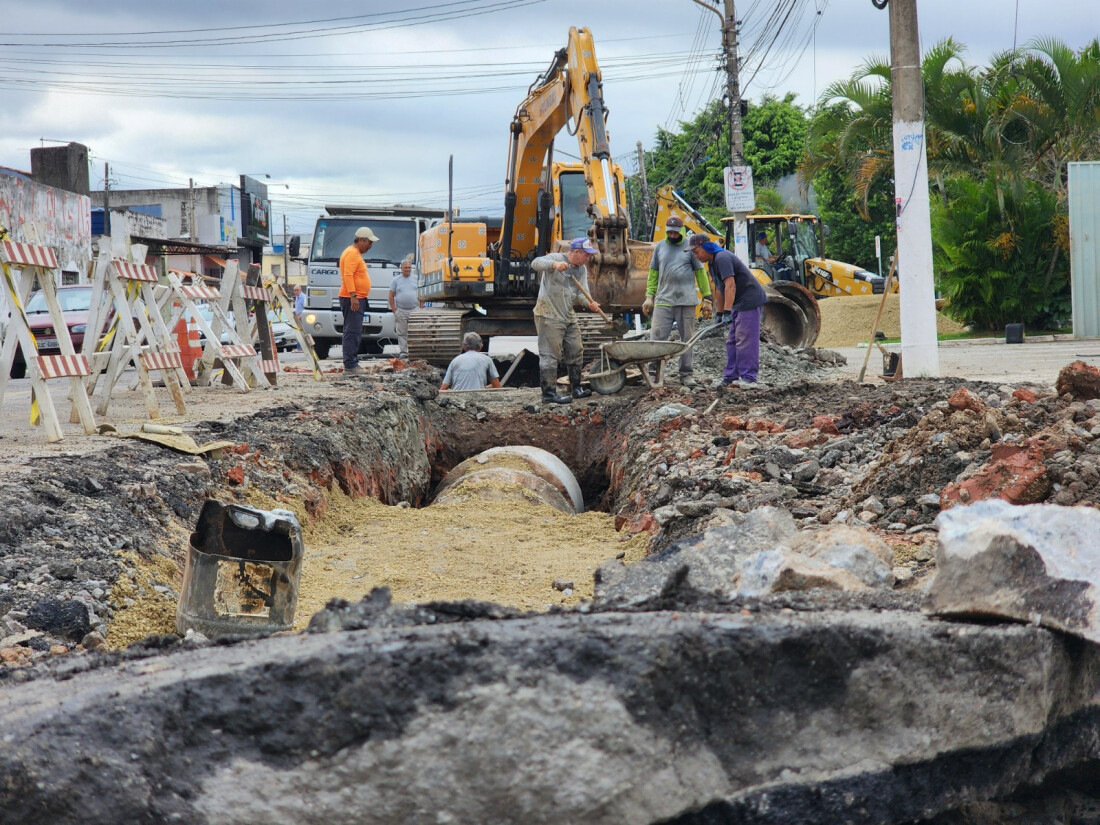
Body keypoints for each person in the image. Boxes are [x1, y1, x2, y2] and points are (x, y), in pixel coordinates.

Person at [641, 216, 713, 387]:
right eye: (670, 232)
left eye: (675, 232)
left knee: (686, 340)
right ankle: (654, 374)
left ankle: (686, 374)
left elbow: (701, 273)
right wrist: (649, 296)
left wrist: (707, 297)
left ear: (681, 231)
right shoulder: (660, 247)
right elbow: (653, 273)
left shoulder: (690, 248)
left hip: (686, 302)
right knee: (657, 338)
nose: (672, 235)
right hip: (663, 301)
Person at [530, 237, 602, 404]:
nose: (588, 258)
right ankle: (549, 394)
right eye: (586, 254)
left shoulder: (581, 270)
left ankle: (576, 388)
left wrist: (589, 303)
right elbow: (535, 263)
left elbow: (580, 295)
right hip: (549, 314)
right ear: (576, 252)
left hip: (568, 315)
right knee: (550, 355)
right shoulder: (556, 258)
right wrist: (554, 265)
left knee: (576, 350)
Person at [689, 233, 767, 386]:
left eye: (696, 252)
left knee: (744, 339)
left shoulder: (722, 258)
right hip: (737, 302)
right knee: (732, 340)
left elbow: (731, 285)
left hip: (749, 299)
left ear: (705, 247)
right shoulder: (712, 263)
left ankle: (749, 377)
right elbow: (720, 288)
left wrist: (727, 311)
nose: (695, 256)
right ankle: (731, 376)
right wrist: (719, 313)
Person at [339, 226, 379, 373]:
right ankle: (350, 365)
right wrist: (353, 296)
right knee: (352, 331)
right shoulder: (352, 253)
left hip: (355, 297)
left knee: (353, 330)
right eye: (369, 242)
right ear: (361, 240)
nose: (370, 246)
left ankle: (351, 362)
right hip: (353, 298)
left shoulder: (353, 253)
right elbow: (348, 275)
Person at [388, 257, 420, 360]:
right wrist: (394, 310)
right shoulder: (396, 280)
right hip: (401, 310)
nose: (407, 269)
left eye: (409, 267)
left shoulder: (416, 279)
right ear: (401, 268)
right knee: (402, 332)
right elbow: (391, 296)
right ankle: (403, 352)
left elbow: (422, 293)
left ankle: (414, 351)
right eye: (405, 268)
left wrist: (421, 308)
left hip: (415, 309)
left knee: (415, 332)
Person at [291, 284, 307, 351]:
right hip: (298, 318)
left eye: (297, 290)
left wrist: (301, 315)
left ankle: (300, 348)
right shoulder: (296, 298)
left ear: (300, 290)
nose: (296, 292)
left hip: (302, 318)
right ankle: (299, 347)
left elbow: (305, 308)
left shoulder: (303, 297)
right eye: (295, 290)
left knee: (302, 333)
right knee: (299, 333)